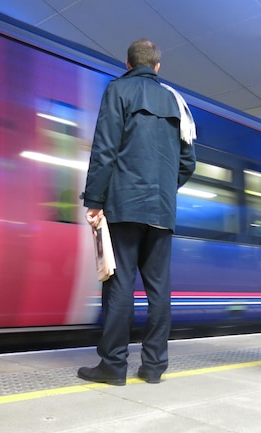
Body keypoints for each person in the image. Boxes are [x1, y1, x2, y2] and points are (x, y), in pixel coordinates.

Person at [78, 38, 196, 385]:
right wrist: (163, 189)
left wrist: (95, 202)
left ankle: (114, 365)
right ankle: (155, 365)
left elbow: (104, 149)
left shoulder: (118, 90)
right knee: (159, 289)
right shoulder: (177, 100)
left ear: (128, 64)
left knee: (119, 285)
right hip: (161, 211)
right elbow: (188, 161)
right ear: (157, 66)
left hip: (124, 207)